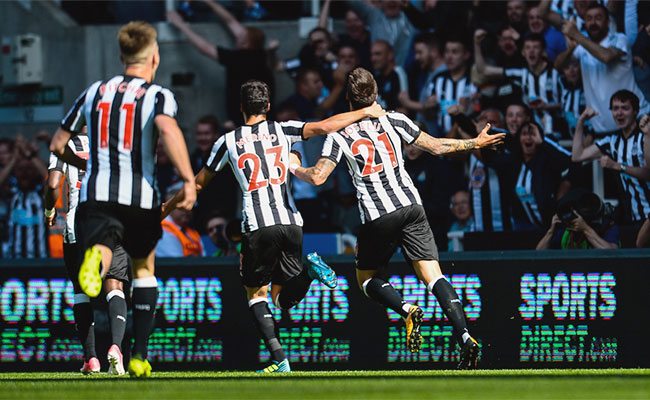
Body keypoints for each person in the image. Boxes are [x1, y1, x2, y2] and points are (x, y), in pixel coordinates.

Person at [163, 79, 385, 373]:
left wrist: (165, 208)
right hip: (291, 223)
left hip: (258, 224)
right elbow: (326, 126)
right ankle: (307, 271)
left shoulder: (227, 141)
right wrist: (365, 111)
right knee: (282, 298)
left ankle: (280, 359)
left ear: (241, 108)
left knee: (256, 294)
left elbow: (199, 183)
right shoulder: (284, 129)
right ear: (268, 106)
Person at [290, 67, 505, 369]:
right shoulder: (395, 120)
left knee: (367, 280)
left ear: (349, 101)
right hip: (412, 206)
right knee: (434, 276)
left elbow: (318, 177)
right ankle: (465, 335)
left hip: (378, 215)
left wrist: (295, 165)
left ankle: (405, 309)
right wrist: (476, 143)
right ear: (375, 95)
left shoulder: (340, 134)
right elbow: (438, 146)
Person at [49, 21, 197, 378]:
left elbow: (56, 144)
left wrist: (83, 161)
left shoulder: (93, 92)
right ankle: (139, 356)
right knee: (143, 269)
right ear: (155, 57)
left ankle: (93, 269)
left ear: (121, 56)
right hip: (140, 195)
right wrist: (188, 179)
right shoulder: (159, 95)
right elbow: (168, 129)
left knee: (100, 249)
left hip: (97, 193)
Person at [44, 133, 132, 375]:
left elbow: (53, 185)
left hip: (76, 224)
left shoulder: (65, 146)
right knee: (114, 286)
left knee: (81, 291)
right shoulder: (113, 143)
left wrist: (49, 210)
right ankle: (116, 347)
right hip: (111, 220)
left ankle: (90, 358)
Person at [167, 0, 275, 124]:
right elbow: (231, 22)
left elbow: (205, 47)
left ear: (246, 42)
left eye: (242, 35)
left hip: (242, 121)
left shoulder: (239, 59)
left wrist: (180, 25)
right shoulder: (261, 56)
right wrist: (210, 2)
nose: (238, 34)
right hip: (264, 119)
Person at [555, 3, 649, 135]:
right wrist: (570, 49)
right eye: (589, 19)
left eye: (598, 18)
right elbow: (558, 66)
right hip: (603, 131)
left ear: (607, 22)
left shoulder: (619, 39)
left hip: (637, 122)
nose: (593, 22)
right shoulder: (582, 46)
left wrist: (577, 35)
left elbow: (606, 56)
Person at [571, 91, 650, 224]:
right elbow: (577, 156)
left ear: (635, 111)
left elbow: (649, 173)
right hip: (630, 217)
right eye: (615, 108)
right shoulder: (612, 140)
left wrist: (616, 166)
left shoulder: (645, 136)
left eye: (625, 108)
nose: (619, 113)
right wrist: (581, 121)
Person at [476, 30, 562, 135]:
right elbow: (483, 70)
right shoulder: (520, 73)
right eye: (528, 48)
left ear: (543, 51)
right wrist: (476, 44)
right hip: (530, 133)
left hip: (558, 130)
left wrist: (547, 106)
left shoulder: (556, 73)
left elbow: (567, 104)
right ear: (523, 52)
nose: (531, 51)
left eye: (535, 47)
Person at [536, 188, 619, 249]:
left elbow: (611, 253)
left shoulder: (606, 226)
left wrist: (585, 229)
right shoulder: (565, 231)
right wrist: (551, 232)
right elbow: (539, 253)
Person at [157, 188, 204, 257]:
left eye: (190, 205)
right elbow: (176, 263)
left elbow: (204, 257)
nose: (186, 209)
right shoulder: (161, 229)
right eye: (181, 206)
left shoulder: (192, 232)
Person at [371, 40, 408, 112]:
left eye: (378, 54)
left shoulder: (398, 74)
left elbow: (404, 109)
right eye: (372, 55)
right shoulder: (377, 78)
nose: (373, 59)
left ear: (390, 55)